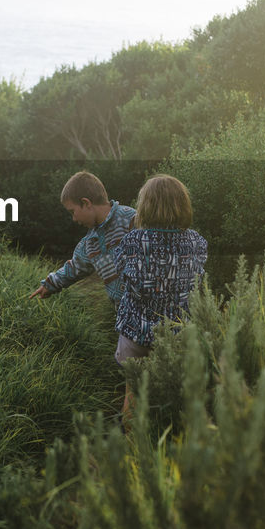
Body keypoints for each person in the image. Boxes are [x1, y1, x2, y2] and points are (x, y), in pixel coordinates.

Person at [114, 174, 208, 422]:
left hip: (136, 331)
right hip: (179, 332)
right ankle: (175, 442)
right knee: (179, 394)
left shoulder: (132, 241)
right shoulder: (197, 242)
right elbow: (198, 279)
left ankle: (132, 451)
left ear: (145, 206)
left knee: (133, 394)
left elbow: (121, 272)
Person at [28, 171, 136, 305]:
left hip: (153, 309)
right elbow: (75, 267)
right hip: (123, 314)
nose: (73, 218)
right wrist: (50, 285)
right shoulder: (90, 243)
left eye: (72, 211)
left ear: (86, 203)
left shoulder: (130, 219)